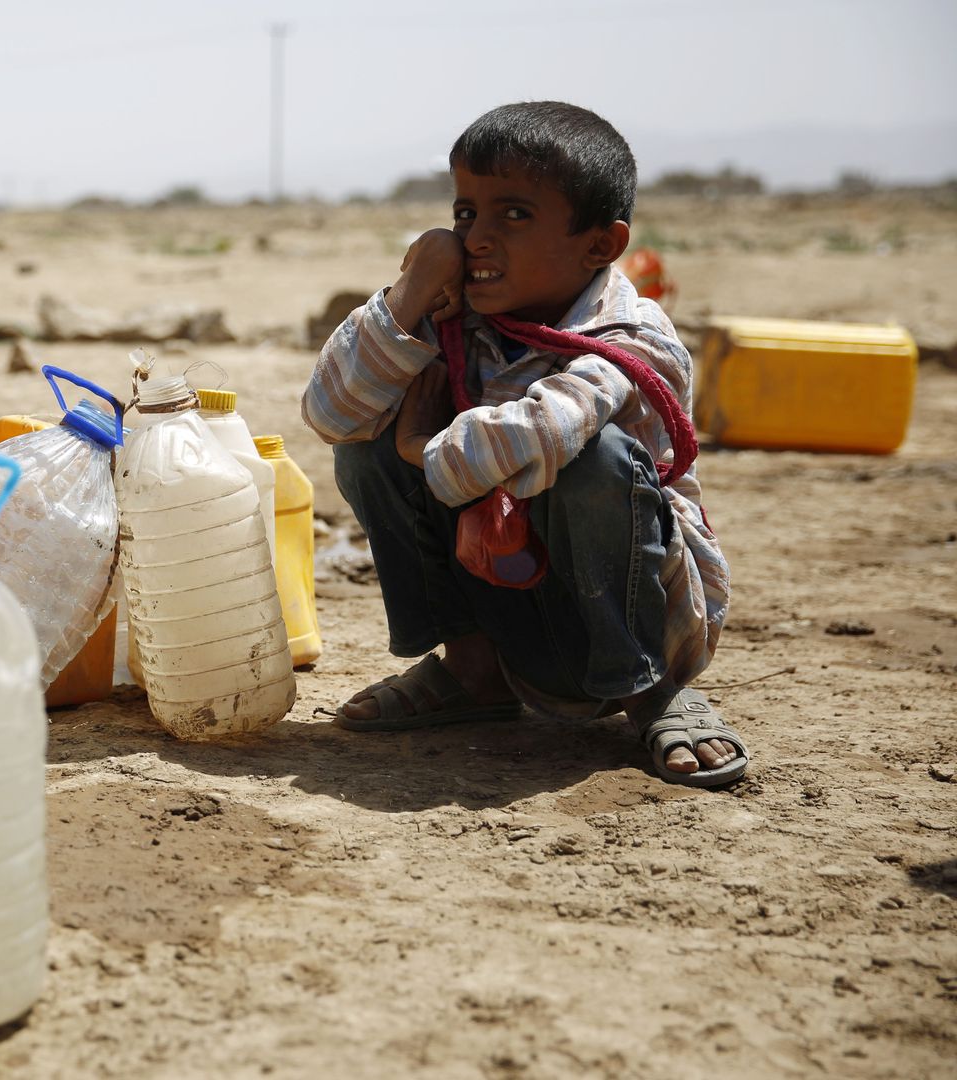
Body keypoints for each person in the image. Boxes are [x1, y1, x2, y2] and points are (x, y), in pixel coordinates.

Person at [303, 101, 745, 786]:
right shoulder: (463, 322)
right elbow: (332, 414)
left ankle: (651, 691)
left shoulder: (634, 339)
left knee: (593, 457)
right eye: (464, 214)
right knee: (367, 444)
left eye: (513, 215)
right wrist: (412, 289)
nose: (475, 238)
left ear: (601, 245)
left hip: (630, 618)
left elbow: (542, 432)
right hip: (514, 609)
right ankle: (474, 673)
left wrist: (423, 446)